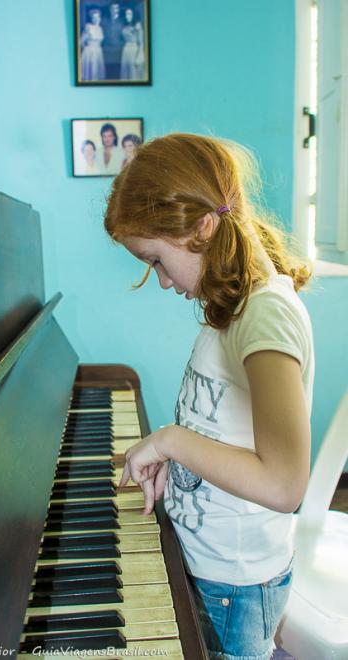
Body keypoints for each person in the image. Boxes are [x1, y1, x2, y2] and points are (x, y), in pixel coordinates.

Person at [104, 133, 314, 660]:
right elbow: (223, 432)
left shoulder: (265, 316)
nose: (159, 280)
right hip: (209, 563)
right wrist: (173, 463)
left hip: (234, 588)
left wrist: (173, 442)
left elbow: (285, 484)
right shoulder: (235, 304)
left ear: (202, 227)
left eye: (155, 260)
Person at [81, 8, 106, 81]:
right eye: (93, 17)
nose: (96, 19)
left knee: (98, 74)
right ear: (91, 19)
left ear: (100, 18)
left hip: (99, 52)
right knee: (92, 74)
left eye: (97, 17)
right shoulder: (88, 27)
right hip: (90, 53)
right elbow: (81, 41)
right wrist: (87, 52)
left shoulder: (100, 28)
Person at [120, 7, 145, 80]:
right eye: (126, 14)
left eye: (129, 14)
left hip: (134, 50)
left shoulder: (137, 25)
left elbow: (141, 43)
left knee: (133, 73)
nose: (127, 16)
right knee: (125, 74)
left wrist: (139, 57)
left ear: (134, 15)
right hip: (125, 50)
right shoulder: (124, 26)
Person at [101, 2, 124, 80]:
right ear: (110, 9)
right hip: (106, 50)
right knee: (107, 72)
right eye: (112, 8)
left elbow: (125, 36)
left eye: (116, 8)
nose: (114, 10)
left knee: (117, 72)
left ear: (118, 10)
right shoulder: (104, 21)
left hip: (118, 50)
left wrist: (120, 44)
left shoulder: (122, 21)